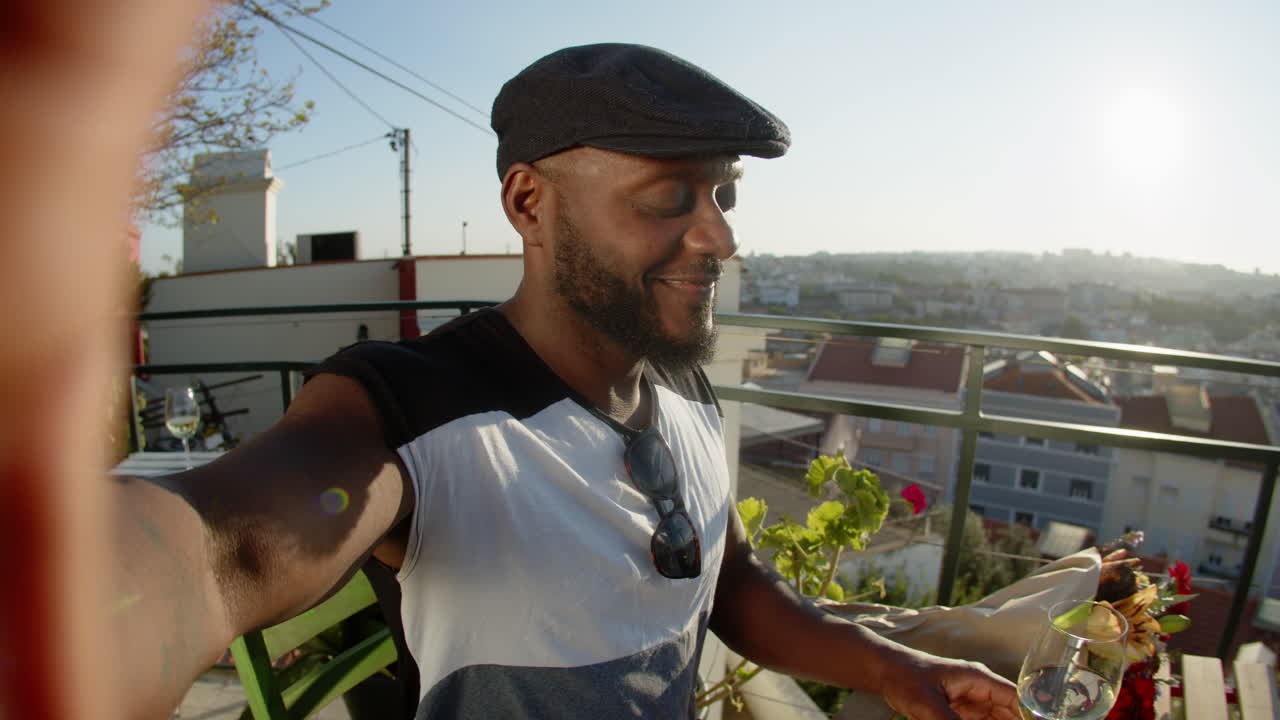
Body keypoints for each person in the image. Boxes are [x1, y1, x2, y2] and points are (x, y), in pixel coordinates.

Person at [107, 43, 1021, 719]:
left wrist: (891, 667)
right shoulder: (420, 408)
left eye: (723, 195)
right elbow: (228, 551)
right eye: (669, 198)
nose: (719, 238)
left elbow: (730, 580)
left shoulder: (679, 386)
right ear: (528, 203)